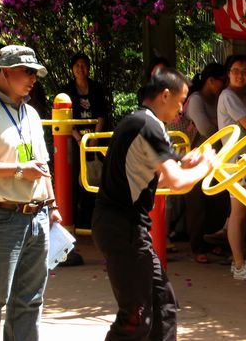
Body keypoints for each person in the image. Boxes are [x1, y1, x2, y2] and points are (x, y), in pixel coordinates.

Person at [92, 68, 216, 340]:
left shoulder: (140, 122)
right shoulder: (147, 125)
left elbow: (158, 178)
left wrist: (188, 165)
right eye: (181, 102)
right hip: (122, 230)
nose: (182, 110)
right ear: (165, 95)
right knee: (135, 318)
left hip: (126, 228)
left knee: (163, 305)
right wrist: (205, 167)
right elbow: (177, 181)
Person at [0, 45, 61, 340]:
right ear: (4, 72)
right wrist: (19, 170)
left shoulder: (31, 113)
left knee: (30, 299)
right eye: (27, 71)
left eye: (35, 72)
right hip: (1, 217)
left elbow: (41, 164)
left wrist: (52, 205)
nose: (33, 78)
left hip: (38, 216)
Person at [218, 54, 246, 280]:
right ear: (228, 74)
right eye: (235, 70)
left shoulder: (241, 96)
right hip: (237, 163)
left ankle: (240, 260)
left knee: (242, 213)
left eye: (245, 72)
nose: (240, 75)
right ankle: (238, 265)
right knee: (238, 214)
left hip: (244, 162)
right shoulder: (228, 96)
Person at [183, 62, 229, 263]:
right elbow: (206, 129)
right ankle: (197, 247)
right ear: (211, 81)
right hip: (194, 157)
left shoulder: (218, 98)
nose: (225, 85)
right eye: (223, 81)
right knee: (197, 203)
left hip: (215, 156)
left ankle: (212, 243)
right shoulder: (196, 99)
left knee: (216, 200)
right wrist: (226, 127)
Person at [61, 51, 110, 230]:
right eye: (77, 66)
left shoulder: (96, 88)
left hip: (95, 140)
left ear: (88, 69)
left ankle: (93, 219)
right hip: (75, 141)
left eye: (83, 65)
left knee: (95, 177)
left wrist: (94, 137)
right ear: (72, 69)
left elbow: (102, 114)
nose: (80, 69)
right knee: (75, 178)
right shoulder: (66, 91)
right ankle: (74, 220)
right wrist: (79, 139)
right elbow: (66, 120)